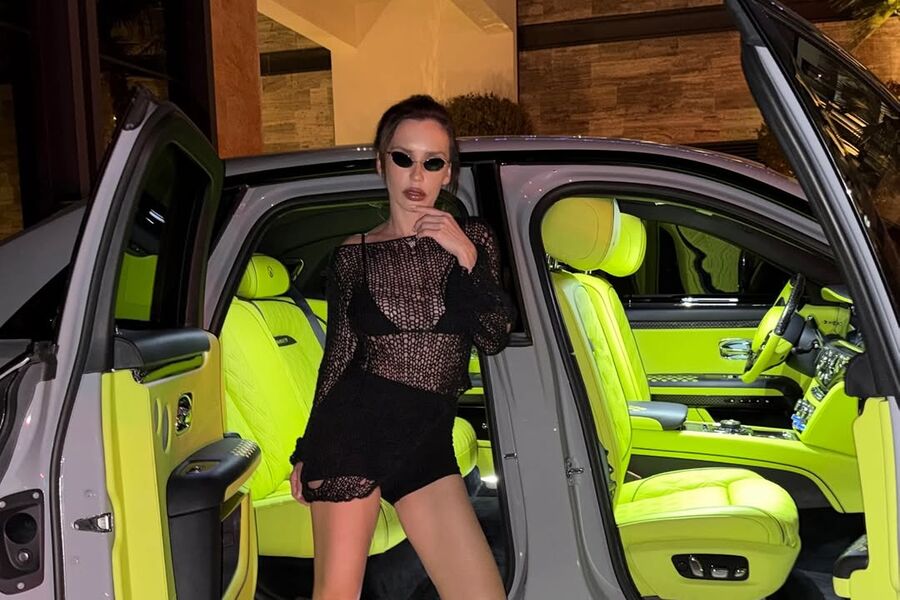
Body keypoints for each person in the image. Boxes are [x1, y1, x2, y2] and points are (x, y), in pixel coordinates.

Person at [288, 94, 514, 600]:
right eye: (403, 157)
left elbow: (494, 334)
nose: (416, 175)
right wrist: (306, 450)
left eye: (432, 162)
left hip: (425, 444)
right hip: (351, 436)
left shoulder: (472, 239)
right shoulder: (353, 256)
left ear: (448, 173)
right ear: (380, 163)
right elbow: (338, 358)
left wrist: (466, 256)